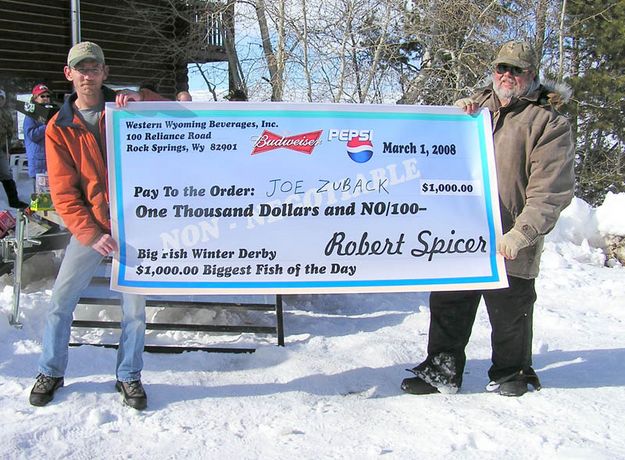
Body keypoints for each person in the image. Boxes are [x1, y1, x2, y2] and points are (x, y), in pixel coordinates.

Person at [401, 41, 575, 397]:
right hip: (463, 232)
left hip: (512, 233)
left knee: (511, 309)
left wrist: (521, 233)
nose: (507, 76)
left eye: (517, 70)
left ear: (532, 75)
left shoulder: (548, 122)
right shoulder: (475, 109)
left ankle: (512, 372)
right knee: (450, 301)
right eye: (502, 68)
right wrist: (449, 122)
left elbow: (551, 190)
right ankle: (442, 369)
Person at [29, 41, 165, 410]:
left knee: (134, 309)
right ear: (68, 74)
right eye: (81, 68)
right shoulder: (60, 127)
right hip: (91, 227)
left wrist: (140, 97)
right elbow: (63, 192)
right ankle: (51, 370)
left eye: (94, 68)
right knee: (60, 300)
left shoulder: (124, 109)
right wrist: (91, 234)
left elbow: (176, 115)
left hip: (135, 225)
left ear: (104, 73)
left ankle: (129, 375)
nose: (87, 75)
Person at [0, 88, 29, 208]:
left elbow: (9, 133)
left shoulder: (5, 114)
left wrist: (8, 148)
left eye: (1, 99)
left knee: (6, 174)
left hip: (1, 148)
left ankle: (14, 201)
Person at [23, 83, 52, 187]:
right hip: (38, 161)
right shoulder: (31, 114)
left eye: (48, 96)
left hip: (50, 159)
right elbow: (32, 135)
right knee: (39, 196)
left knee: (50, 196)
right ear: (35, 98)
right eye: (42, 96)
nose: (46, 98)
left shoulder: (49, 112)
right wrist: (48, 125)